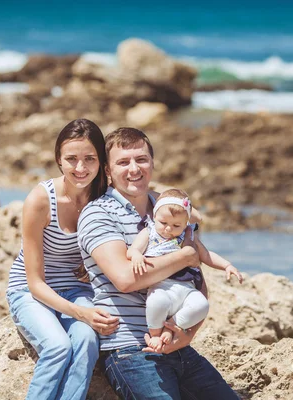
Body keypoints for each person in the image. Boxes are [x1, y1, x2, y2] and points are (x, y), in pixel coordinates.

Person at [78, 127, 239, 399]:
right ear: (107, 170)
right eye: (122, 162)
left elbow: (195, 278)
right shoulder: (97, 213)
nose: (134, 169)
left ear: (152, 163)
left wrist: (187, 334)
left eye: (141, 159)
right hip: (129, 349)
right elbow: (126, 279)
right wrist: (184, 256)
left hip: (177, 344)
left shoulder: (168, 208)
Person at [6, 119, 119, 400]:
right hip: (31, 291)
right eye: (71, 159)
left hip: (79, 290)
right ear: (58, 159)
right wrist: (82, 313)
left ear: (101, 161)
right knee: (58, 346)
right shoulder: (40, 200)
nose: (80, 168)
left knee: (87, 340)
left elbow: (158, 202)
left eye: (89, 159)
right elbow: (34, 282)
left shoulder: (105, 195)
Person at [127, 188, 243, 351]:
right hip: (162, 286)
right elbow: (132, 250)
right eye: (163, 223)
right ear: (155, 216)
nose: (168, 229)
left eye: (176, 225)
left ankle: (170, 327)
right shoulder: (149, 232)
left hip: (187, 288)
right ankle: (155, 335)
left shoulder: (187, 235)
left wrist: (226, 265)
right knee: (156, 302)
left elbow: (206, 255)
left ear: (186, 223)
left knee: (201, 306)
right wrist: (137, 256)